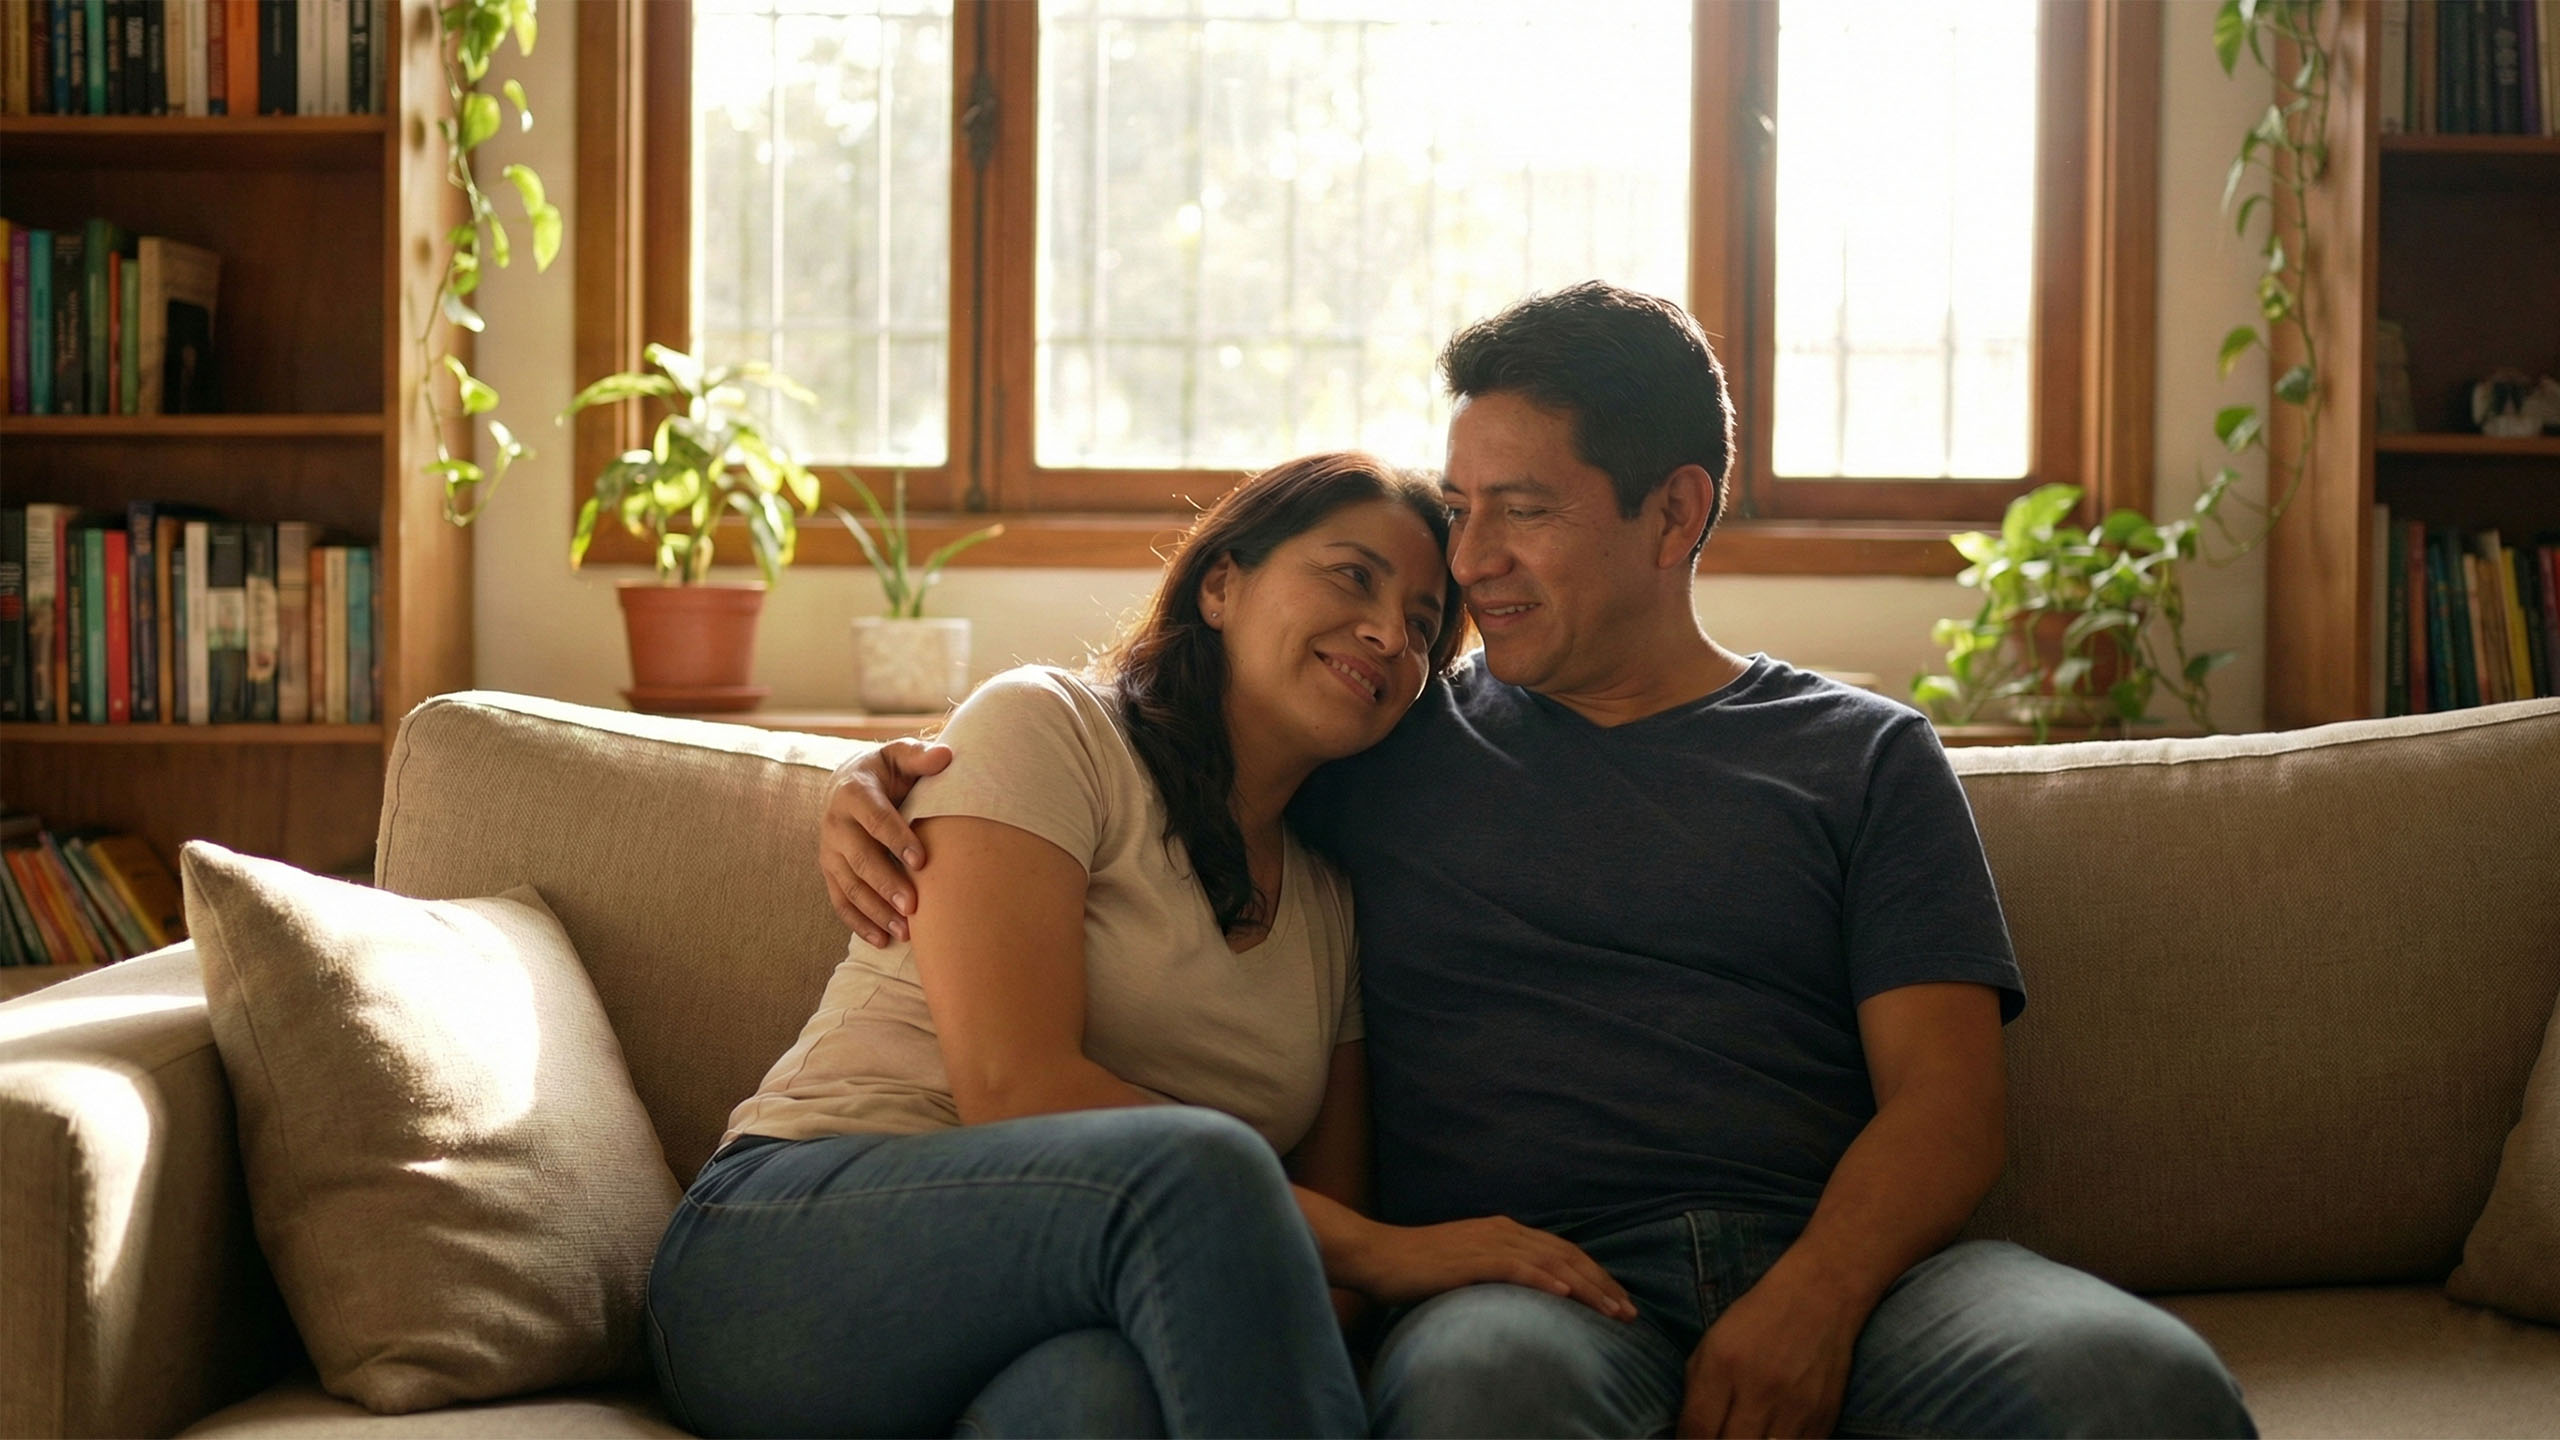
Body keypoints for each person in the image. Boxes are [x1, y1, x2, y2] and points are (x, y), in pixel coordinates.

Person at [821, 283, 2258, 1439]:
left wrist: (1816, 1299)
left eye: (1526, 507)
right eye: (1461, 504)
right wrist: (879, 782)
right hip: (1531, 1286)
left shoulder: (1862, 754)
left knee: (2137, 1385)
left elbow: (1949, 1108)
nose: (1472, 558)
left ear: (1673, 513)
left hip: (1861, 1276)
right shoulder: (1386, 740)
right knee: (1477, 1402)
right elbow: (1159, 752)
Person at [648, 452, 1651, 1440]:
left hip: (1051, 1332)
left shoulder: (1331, 903)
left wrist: (1354, 1266)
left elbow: (1324, 1283)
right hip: (785, 1255)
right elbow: (1014, 1086)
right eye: (1352, 576)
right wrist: (1391, 1253)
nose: (1389, 634)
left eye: (1425, 628)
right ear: (1223, 583)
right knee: (1204, 1165)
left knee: (1101, 1405)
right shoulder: (1047, 728)